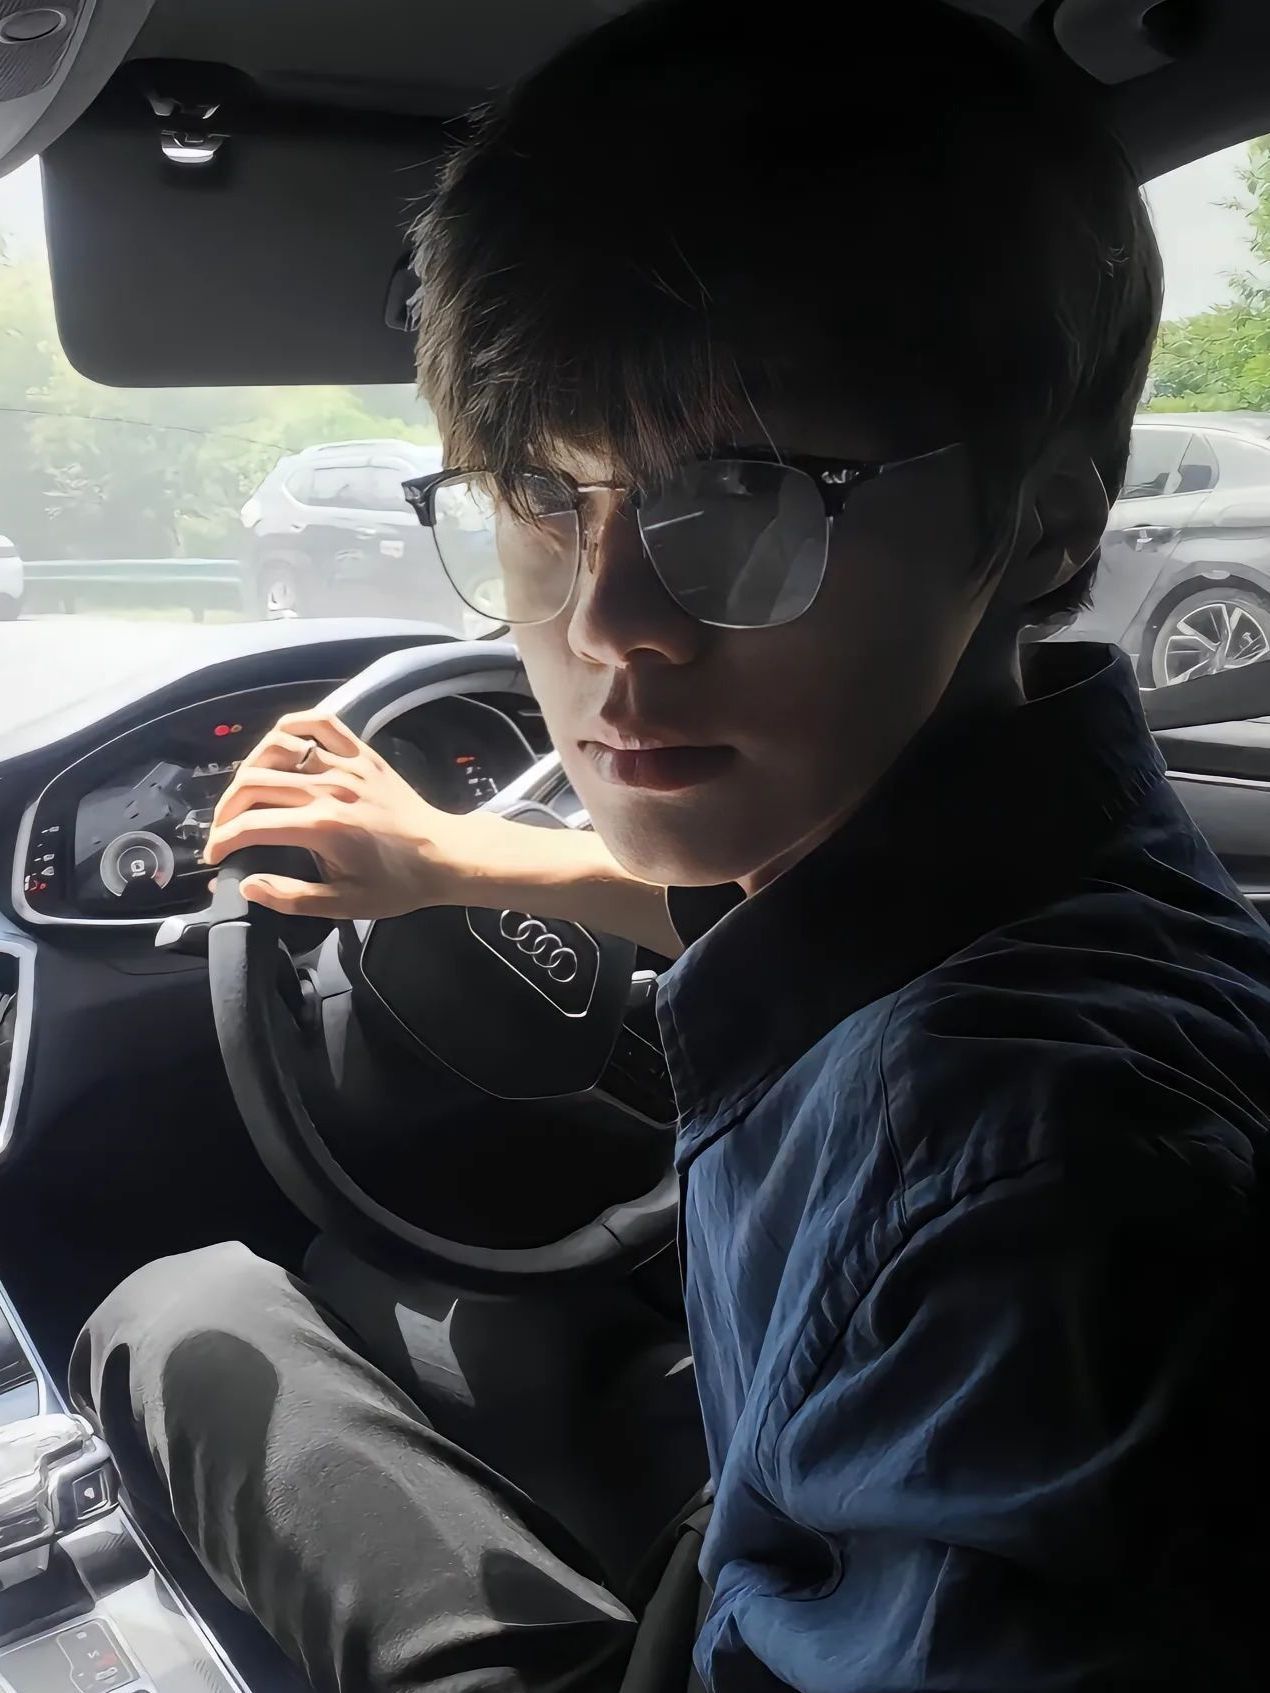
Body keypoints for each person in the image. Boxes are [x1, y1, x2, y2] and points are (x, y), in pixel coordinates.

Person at [71, 0, 1270, 1688]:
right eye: (539, 493)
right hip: (766, 1540)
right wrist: (448, 859)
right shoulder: (1036, 863)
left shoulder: (1038, 1204)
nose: (608, 622)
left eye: (749, 495)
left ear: (1039, 522)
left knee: (180, 1313)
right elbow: (770, 916)